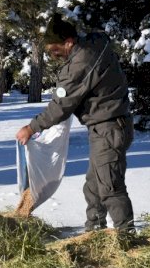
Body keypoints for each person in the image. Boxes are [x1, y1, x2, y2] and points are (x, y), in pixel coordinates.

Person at [15, 12, 135, 232]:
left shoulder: (80, 64)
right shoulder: (95, 42)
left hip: (108, 127)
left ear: (69, 42)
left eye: (55, 50)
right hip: (110, 125)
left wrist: (31, 128)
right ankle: (94, 230)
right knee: (94, 185)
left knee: (109, 186)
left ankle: (126, 236)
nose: (53, 55)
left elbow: (60, 106)